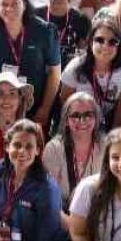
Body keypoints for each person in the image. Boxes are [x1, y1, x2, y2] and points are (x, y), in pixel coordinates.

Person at [0, 0, 61, 132]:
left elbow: (55, 72)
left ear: (25, 4)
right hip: (3, 109)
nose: (9, 8)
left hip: (36, 108)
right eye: (4, 4)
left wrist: (45, 109)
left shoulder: (44, 31)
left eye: (15, 4)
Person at [59, 16, 121, 132]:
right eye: (99, 40)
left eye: (112, 42)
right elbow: (66, 105)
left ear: (119, 45)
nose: (105, 46)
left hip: (110, 125)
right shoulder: (75, 67)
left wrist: (111, 141)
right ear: (91, 41)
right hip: (78, 125)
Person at [42, 92, 105, 225]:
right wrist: (70, 225)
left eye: (88, 115)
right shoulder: (54, 149)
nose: (82, 121)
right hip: (62, 218)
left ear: (96, 118)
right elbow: (47, 196)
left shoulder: (106, 147)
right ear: (66, 121)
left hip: (97, 217)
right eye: (75, 116)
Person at [34, 0, 90, 70]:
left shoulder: (80, 19)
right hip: (40, 70)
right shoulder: (35, 15)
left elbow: (84, 51)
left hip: (68, 73)